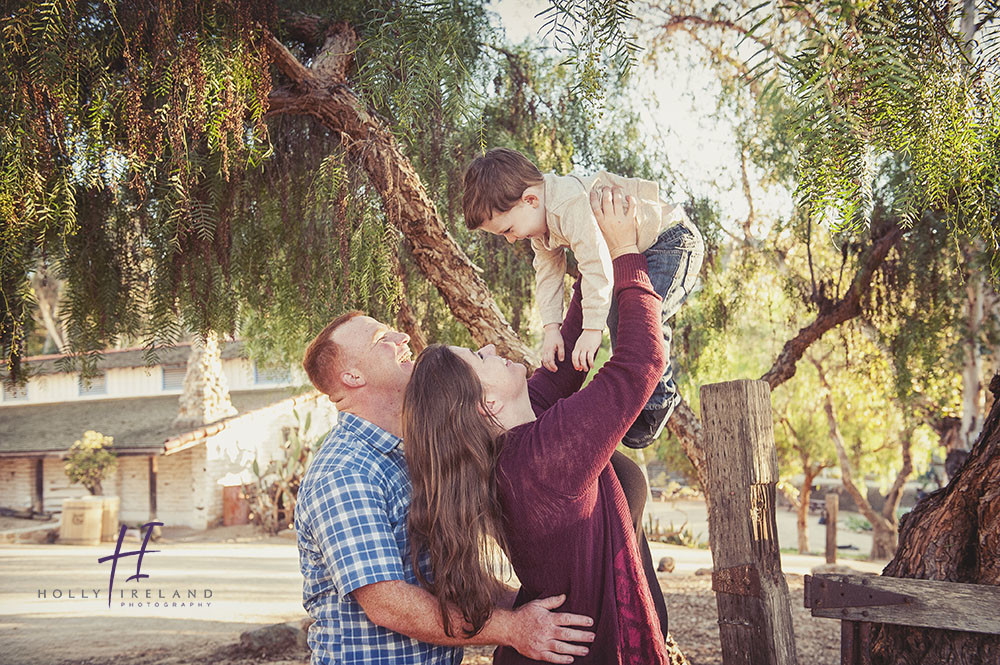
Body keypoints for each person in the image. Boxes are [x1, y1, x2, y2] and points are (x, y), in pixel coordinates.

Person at [404, 187, 672, 663]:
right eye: (479, 358)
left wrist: (586, 246)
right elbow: (641, 362)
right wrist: (627, 253)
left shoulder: (519, 435)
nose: (490, 348)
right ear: (483, 403)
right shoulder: (544, 455)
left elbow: (567, 360)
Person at [296, 314, 597, 664]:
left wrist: (591, 286)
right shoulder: (345, 473)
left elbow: (442, 575)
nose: (403, 336)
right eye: (382, 338)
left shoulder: (416, 448)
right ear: (352, 377)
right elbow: (388, 604)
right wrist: (514, 628)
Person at [463, 148, 704, 448]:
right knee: (624, 317)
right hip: (638, 251)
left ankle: (659, 398)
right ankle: (649, 397)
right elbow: (547, 273)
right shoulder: (542, 224)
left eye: (509, 230)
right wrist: (550, 329)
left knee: (640, 321)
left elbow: (595, 263)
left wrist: (592, 330)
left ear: (530, 200)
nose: (511, 239)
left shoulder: (568, 203)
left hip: (670, 241)